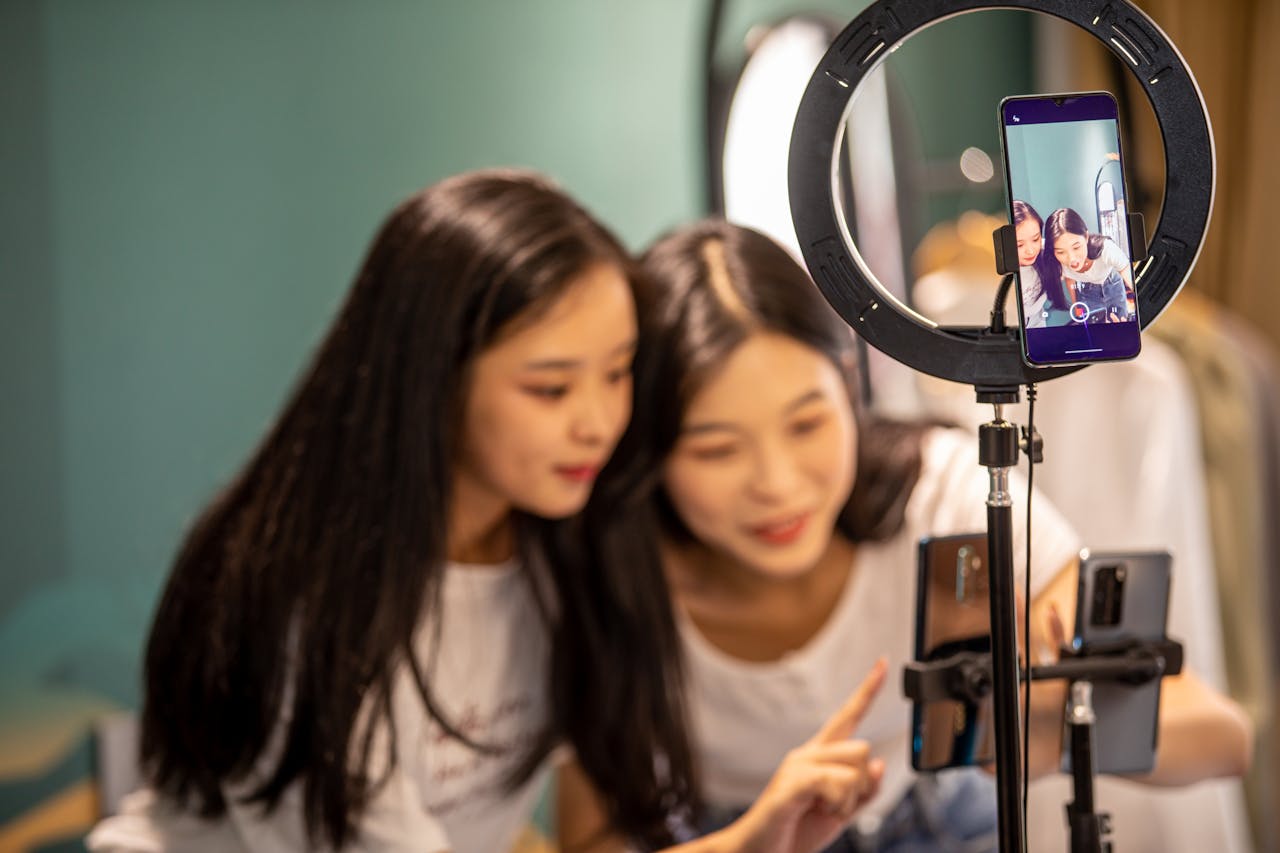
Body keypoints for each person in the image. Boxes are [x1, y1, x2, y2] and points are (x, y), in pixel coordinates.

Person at [87, 172, 885, 853]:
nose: (599, 420)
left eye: (617, 372)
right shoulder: (302, 597)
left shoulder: (565, 543)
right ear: (433, 377)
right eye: (550, 387)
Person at [557, 220, 1253, 852]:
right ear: (651, 450)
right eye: (716, 449)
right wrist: (753, 837)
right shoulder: (615, 574)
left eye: (807, 425)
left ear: (850, 389)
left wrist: (1058, 726)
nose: (776, 483)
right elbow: (591, 838)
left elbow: (1222, 735)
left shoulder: (938, 494)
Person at [1044, 207, 1136, 323]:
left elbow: (1130, 276)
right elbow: (1069, 278)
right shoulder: (1056, 263)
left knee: (1119, 323)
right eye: (1061, 252)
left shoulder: (1106, 249)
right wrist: (1076, 305)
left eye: (1076, 247)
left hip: (1113, 285)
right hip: (1087, 292)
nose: (1071, 259)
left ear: (1086, 237)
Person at [1011, 199, 1068, 328]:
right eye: (1019, 245)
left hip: (1037, 318)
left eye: (1035, 239)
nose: (1031, 250)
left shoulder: (1045, 251)